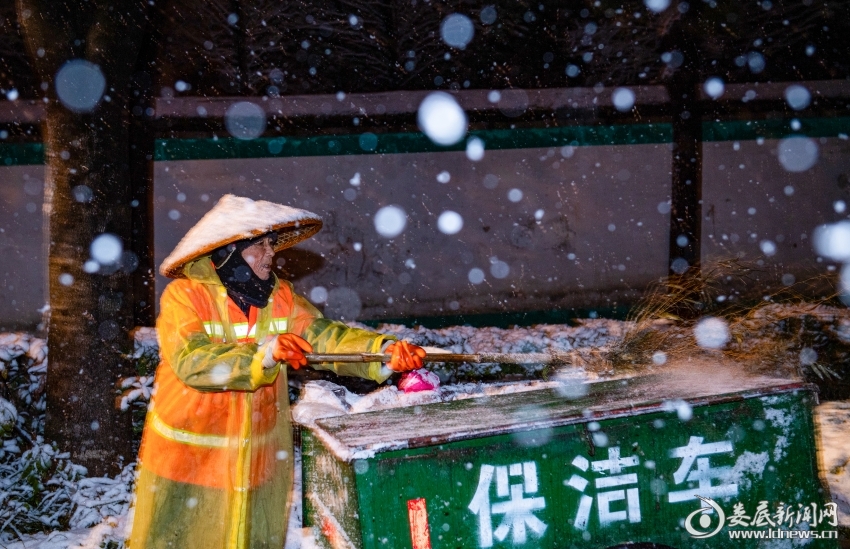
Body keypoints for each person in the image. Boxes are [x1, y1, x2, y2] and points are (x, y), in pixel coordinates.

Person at [128, 194, 425, 548]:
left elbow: (323, 337)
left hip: (258, 459)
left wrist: (383, 352)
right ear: (228, 254)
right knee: (184, 539)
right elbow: (194, 361)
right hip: (190, 459)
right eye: (260, 247)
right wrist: (264, 355)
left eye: (271, 246)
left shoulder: (279, 296)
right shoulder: (185, 297)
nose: (272, 254)